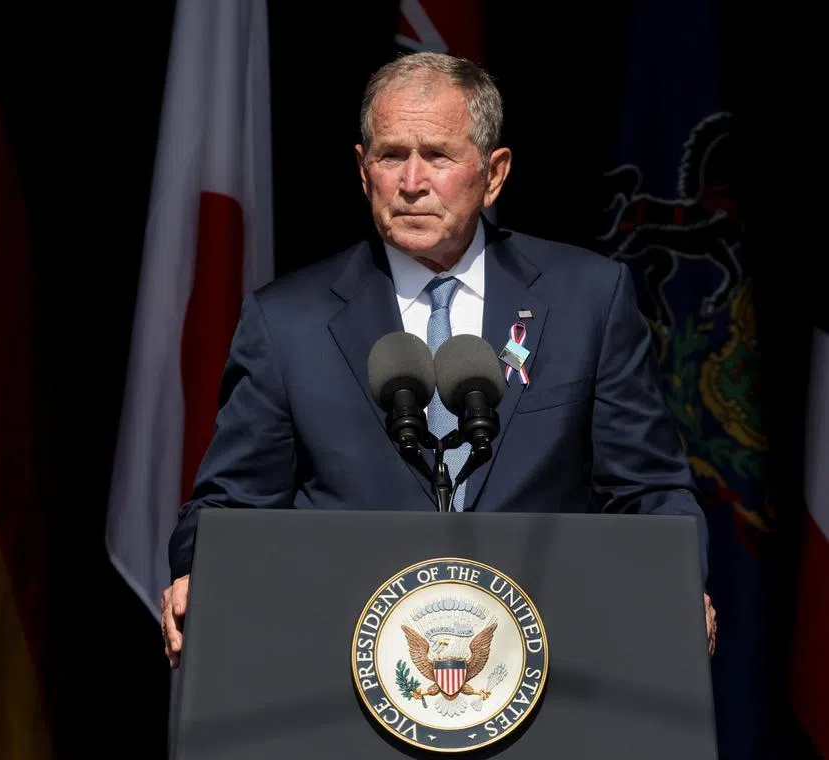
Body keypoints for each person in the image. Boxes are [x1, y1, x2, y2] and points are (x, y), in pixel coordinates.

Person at [160, 52, 717, 667]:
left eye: (439, 156)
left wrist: (677, 580)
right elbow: (228, 507)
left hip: (554, 661)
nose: (412, 181)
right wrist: (197, 568)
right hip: (345, 667)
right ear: (362, 169)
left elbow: (650, 491)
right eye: (392, 155)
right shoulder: (287, 322)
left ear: (494, 173)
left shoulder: (588, 298)